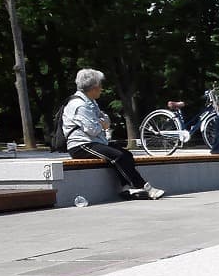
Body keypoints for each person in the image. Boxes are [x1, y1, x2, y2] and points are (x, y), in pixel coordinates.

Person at [61, 68, 164, 200]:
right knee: (118, 156)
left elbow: (105, 119)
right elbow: (93, 129)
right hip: (81, 145)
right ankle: (144, 187)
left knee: (126, 154)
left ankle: (126, 189)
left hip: (94, 142)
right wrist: (102, 123)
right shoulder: (79, 105)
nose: (102, 89)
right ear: (93, 87)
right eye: (100, 86)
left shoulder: (90, 102)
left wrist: (102, 122)